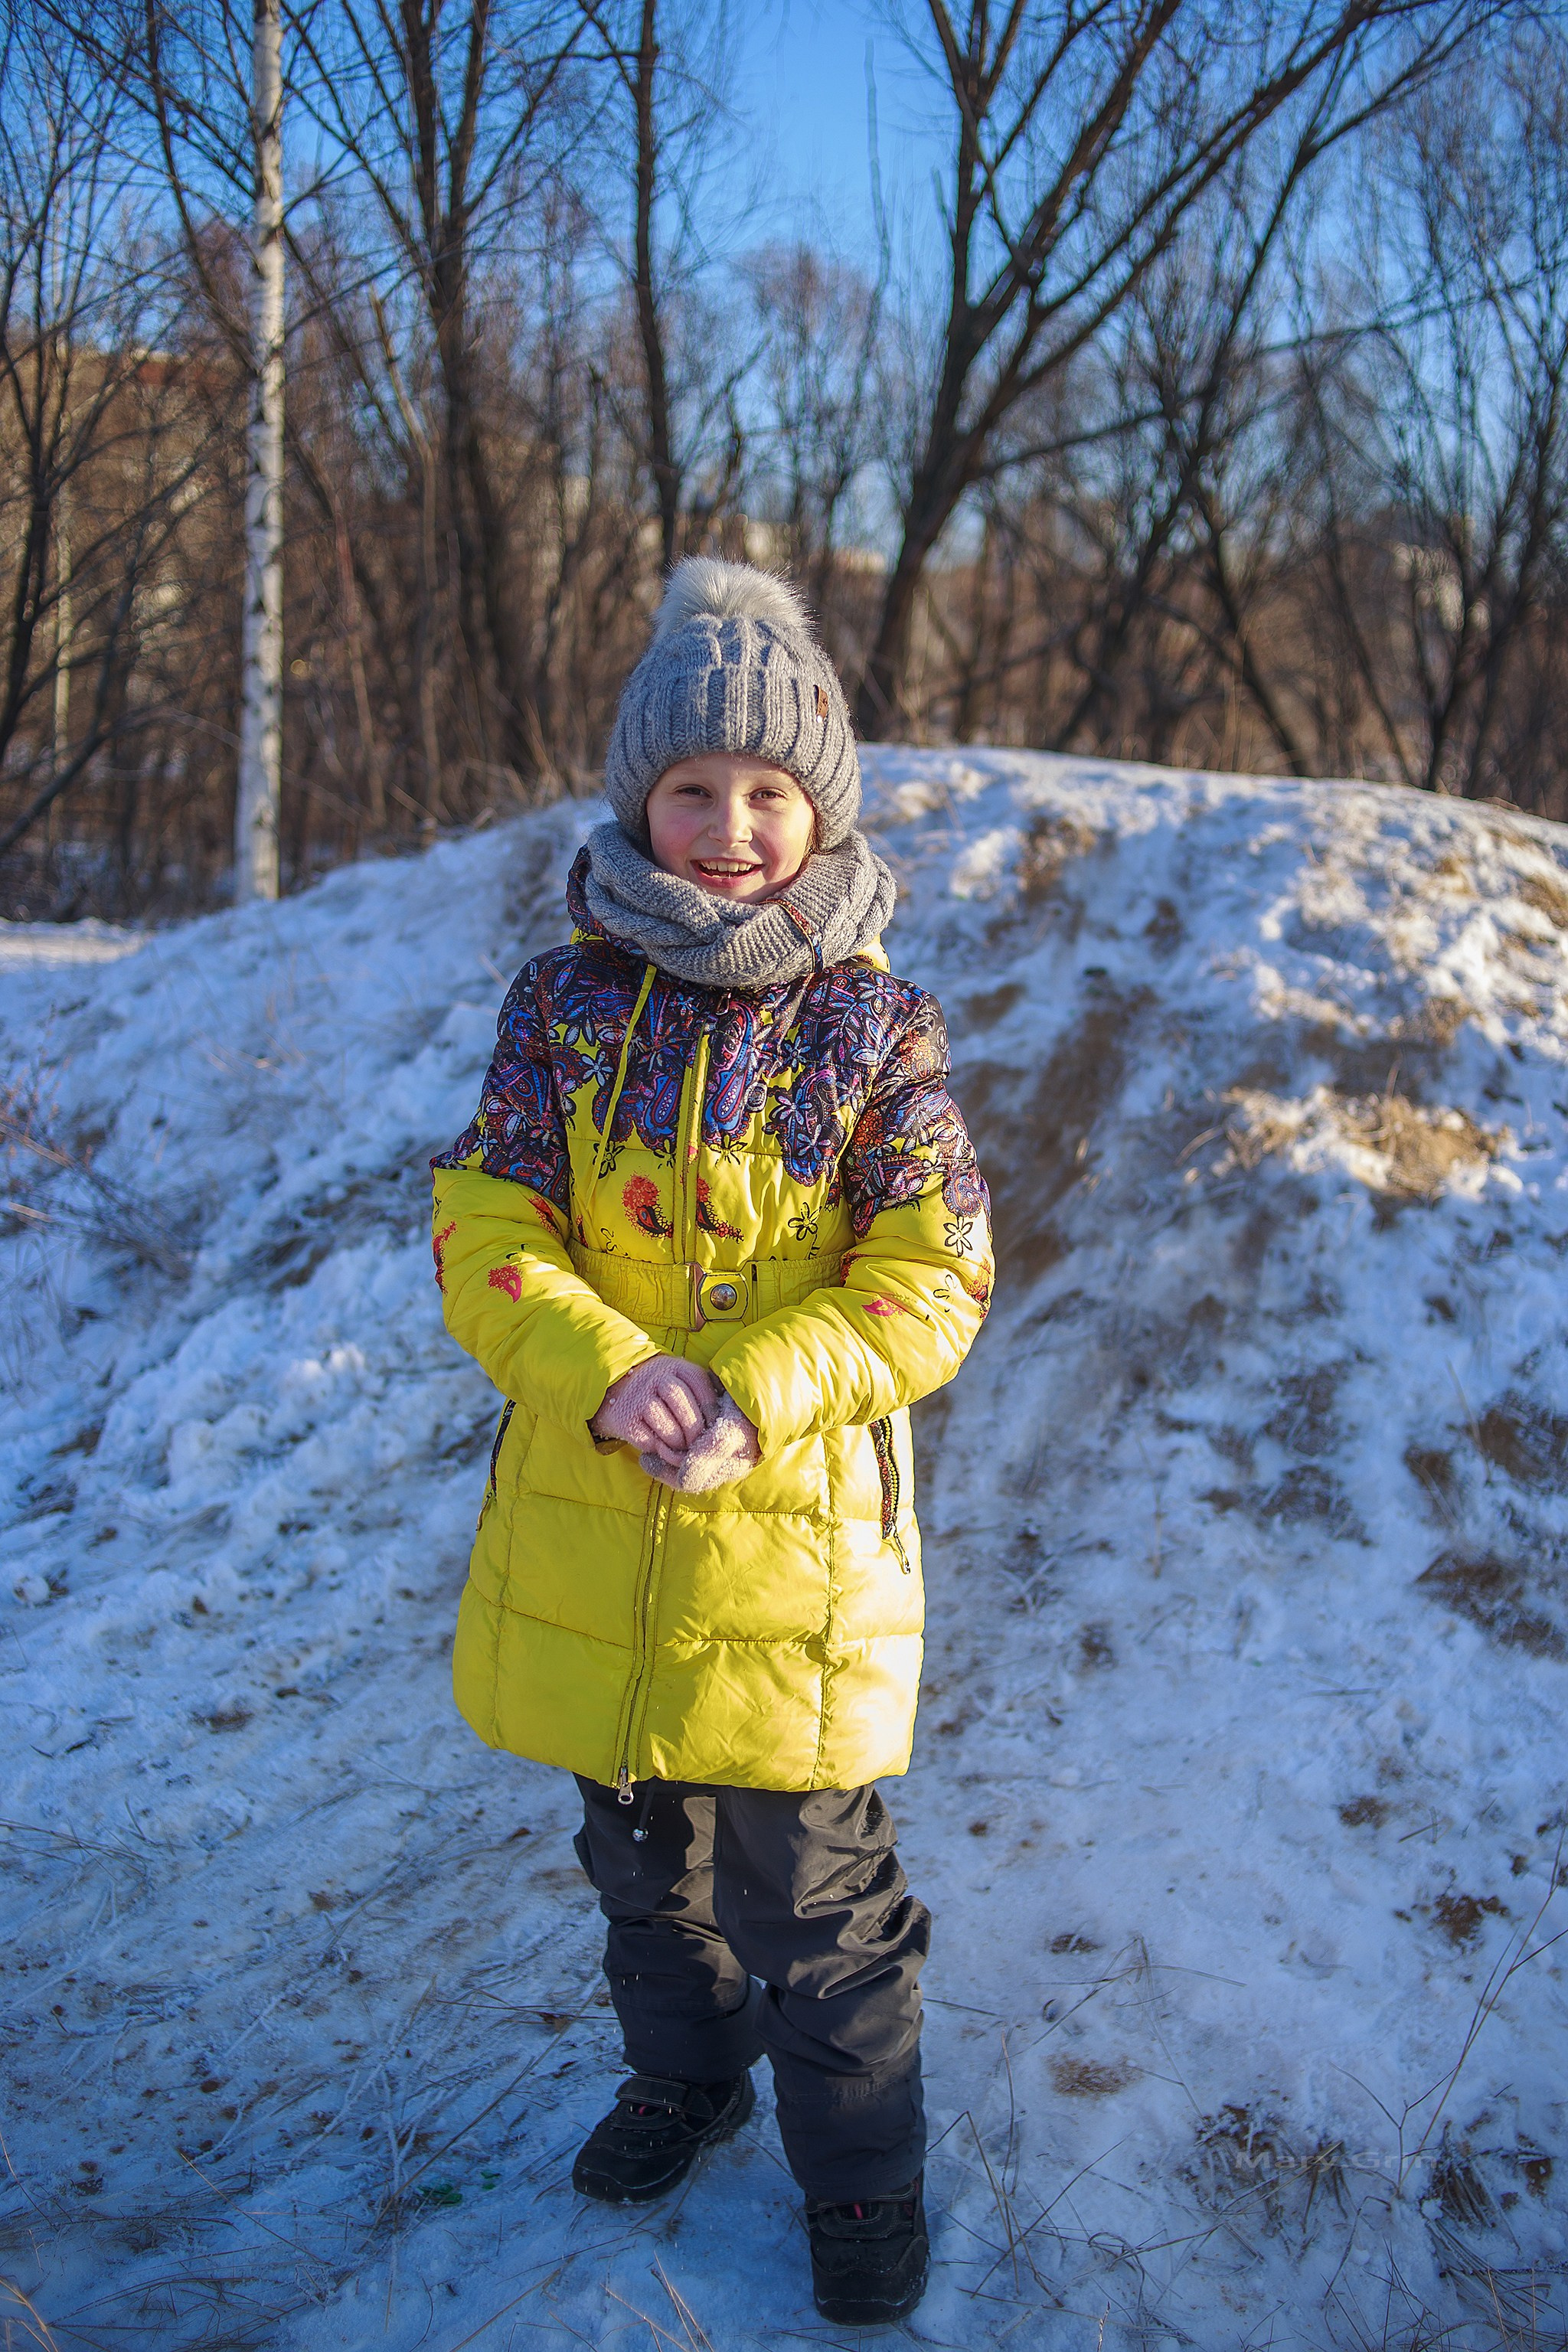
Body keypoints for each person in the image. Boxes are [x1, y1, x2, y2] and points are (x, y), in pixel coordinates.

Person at [430, 558, 992, 2326]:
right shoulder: (563, 1006)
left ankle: (860, 2179)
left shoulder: (872, 1027)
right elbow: (485, 1219)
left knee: (816, 1904)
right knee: (639, 1871)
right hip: (595, 1528)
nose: (730, 826)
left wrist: (757, 1381)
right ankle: (683, 2075)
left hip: (796, 1555)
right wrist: (599, 1360)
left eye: (768, 792)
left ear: (818, 806)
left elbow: (936, 1270)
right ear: (637, 797)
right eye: (693, 787)